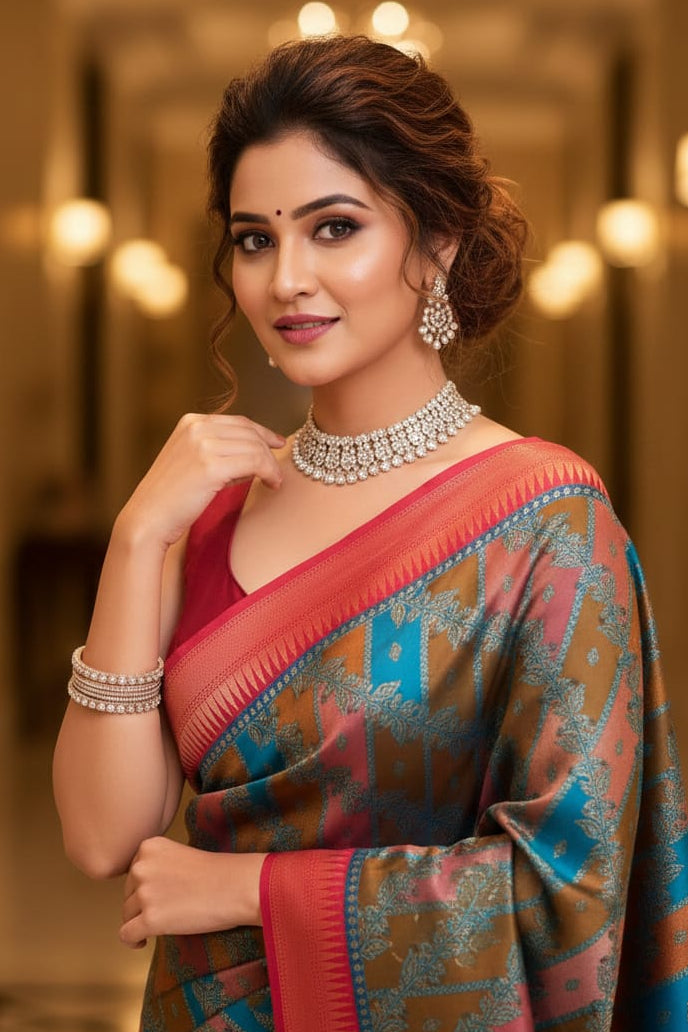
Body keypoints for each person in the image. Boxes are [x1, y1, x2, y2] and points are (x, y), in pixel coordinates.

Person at [53, 34, 688, 1032]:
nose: (286, 279)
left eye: (334, 227)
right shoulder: (206, 515)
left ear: (437, 245)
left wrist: (251, 891)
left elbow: (571, 893)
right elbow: (101, 840)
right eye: (254, 239)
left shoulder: (547, 523)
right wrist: (137, 538)